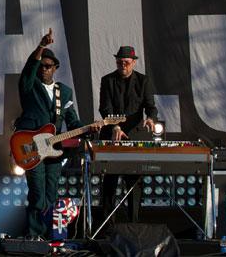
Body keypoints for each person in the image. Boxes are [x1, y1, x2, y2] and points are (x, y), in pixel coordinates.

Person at [14, 29, 94, 240]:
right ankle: (33, 234)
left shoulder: (64, 92)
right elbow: (28, 70)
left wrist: (88, 128)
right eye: (41, 66)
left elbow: (72, 120)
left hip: (54, 148)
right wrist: (40, 47)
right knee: (37, 192)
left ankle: (50, 234)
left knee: (51, 192)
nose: (44, 69)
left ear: (55, 68)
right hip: (30, 145)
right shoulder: (29, 86)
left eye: (48, 66)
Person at [98, 45, 158, 227]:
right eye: (119, 62)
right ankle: (108, 227)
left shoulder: (143, 81)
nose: (122, 65)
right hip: (113, 135)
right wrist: (115, 126)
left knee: (134, 183)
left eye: (126, 62)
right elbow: (105, 107)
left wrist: (151, 118)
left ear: (133, 63)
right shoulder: (108, 80)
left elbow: (151, 106)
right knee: (110, 181)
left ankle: (134, 225)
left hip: (135, 136)